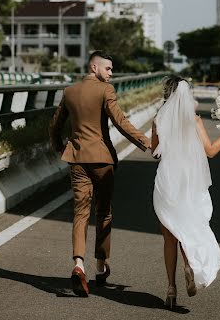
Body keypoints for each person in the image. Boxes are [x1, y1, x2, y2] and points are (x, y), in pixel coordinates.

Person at [50, 50, 151, 297]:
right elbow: (120, 121)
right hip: (102, 161)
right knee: (103, 212)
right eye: (108, 69)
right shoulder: (106, 90)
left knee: (80, 213)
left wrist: (62, 148)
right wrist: (146, 142)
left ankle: (78, 264)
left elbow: (55, 126)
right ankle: (100, 266)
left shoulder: (69, 91)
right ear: (94, 67)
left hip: (77, 160)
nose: (111, 73)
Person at [151, 75, 220, 309]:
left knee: (169, 235)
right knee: (186, 229)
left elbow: (154, 152)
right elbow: (210, 151)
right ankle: (189, 265)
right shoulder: (194, 120)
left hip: (167, 181)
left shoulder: (158, 120)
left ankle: (171, 288)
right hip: (190, 182)